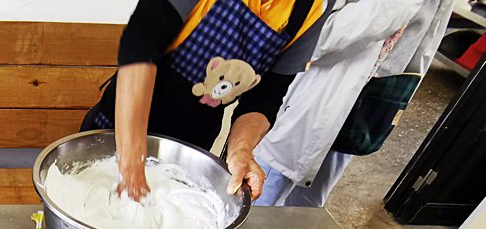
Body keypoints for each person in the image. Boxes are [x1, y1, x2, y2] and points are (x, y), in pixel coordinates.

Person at [82, 0, 330, 201]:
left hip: (191, 147)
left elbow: (266, 97)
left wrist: (240, 151)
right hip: (117, 130)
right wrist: (131, 155)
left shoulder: (311, 9)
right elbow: (140, 43)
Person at [255, 0, 452, 207]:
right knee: (266, 193)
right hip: (314, 92)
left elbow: (425, 42)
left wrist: (396, 98)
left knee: (309, 204)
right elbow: (313, 36)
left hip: (367, 101)